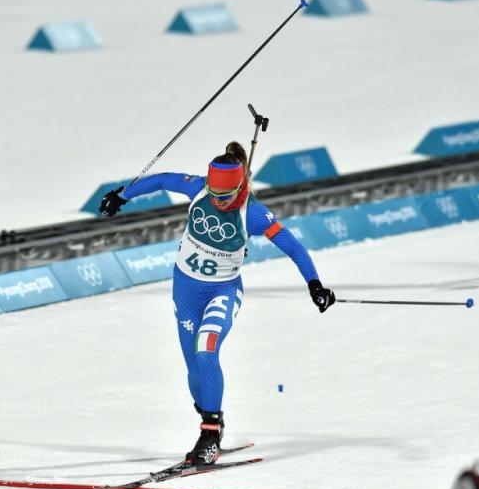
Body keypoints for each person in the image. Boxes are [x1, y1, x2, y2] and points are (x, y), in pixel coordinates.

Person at [99, 141, 335, 465]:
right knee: (194, 371)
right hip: (185, 290)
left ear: (239, 188)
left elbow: (294, 247)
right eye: (213, 194)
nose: (217, 201)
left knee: (206, 350)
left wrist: (315, 284)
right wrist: (122, 195)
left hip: (221, 292)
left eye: (224, 196)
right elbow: (163, 179)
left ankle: (209, 435)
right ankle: (213, 419)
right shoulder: (199, 189)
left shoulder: (253, 213)